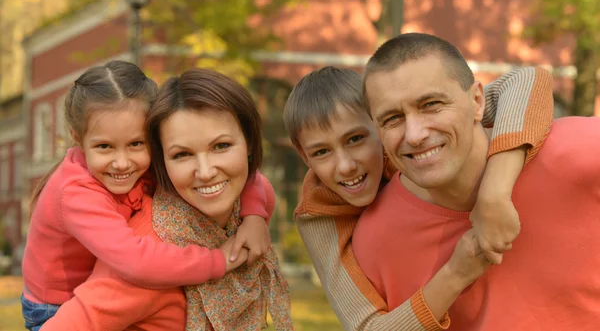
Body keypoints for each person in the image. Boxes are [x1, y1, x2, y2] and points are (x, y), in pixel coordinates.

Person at [354, 32, 600, 330]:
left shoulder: (581, 153)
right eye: (392, 118)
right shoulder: (376, 239)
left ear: (477, 101)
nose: (414, 134)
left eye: (431, 104)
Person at [285, 64, 553, 330]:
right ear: (302, 154)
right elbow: (365, 327)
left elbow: (526, 79)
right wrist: (456, 273)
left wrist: (494, 194)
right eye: (321, 152)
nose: (345, 166)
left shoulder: (410, 139)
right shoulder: (317, 215)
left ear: (381, 123)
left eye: (355, 139)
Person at [21, 61, 272, 331]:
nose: (122, 162)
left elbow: (246, 174)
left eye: (136, 144)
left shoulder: (148, 164)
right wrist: (218, 261)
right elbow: (136, 261)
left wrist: (254, 215)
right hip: (54, 308)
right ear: (78, 139)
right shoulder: (76, 193)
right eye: (104, 146)